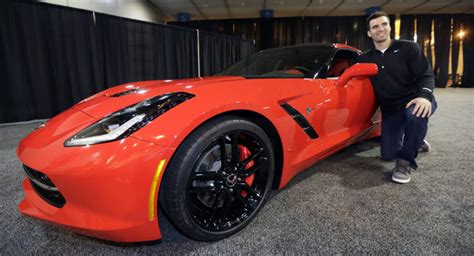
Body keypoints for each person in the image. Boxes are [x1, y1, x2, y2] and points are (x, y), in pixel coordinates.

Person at [357, 11, 438, 184]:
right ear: (369, 33)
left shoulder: (409, 48)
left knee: (415, 115)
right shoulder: (364, 59)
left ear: (390, 27)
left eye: (384, 24)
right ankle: (417, 140)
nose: (381, 29)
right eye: (375, 27)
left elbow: (426, 75)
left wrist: (424, 96)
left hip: (415, 100)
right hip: (391, 110)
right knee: (387, 155)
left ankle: (405, 161)